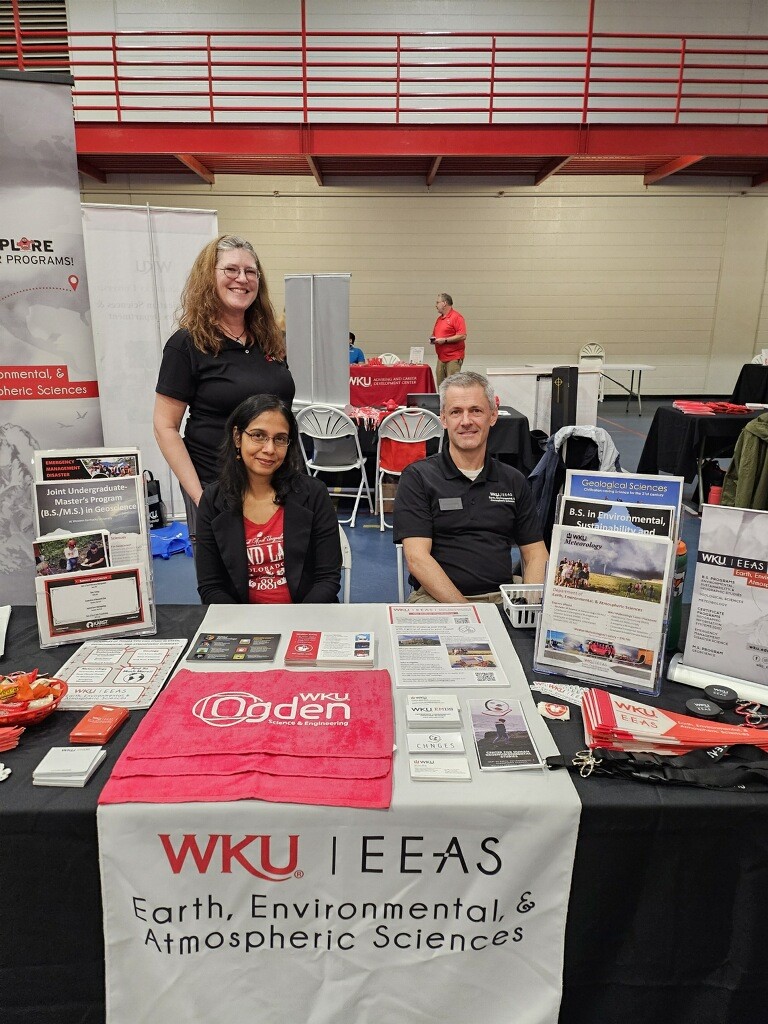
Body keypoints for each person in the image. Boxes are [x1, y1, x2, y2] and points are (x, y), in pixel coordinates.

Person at [153, 234, 294, 541]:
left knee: (281, 579)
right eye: (231, 270)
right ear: (209, 277)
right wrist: (199, 496)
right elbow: (165, 426)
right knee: (227, 582)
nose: (242, 279)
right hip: (217, 485)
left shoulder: (269, 340)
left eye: (250, 272)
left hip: (278, 483)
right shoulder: (187, 344)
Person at [394, 371, 548, 603]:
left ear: (493, 416)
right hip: (437, 600)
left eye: (476, 410)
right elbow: (417, 558)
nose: (466, 421)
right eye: (456, 412)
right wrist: (470, 613)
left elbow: (535, 553)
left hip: (502, 596)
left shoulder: (513, 480)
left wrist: (529, 605)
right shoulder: (418, 478)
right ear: (444, 419)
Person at [195, 394, 342, 604]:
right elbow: (211, 587)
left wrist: (296, 622)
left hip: (306, 617)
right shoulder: (213, 500)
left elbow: (327, 579)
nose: (270, 449)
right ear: (237, 437)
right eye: (258, 436)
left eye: (280, 439)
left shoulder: (314, 494)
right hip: (242, 625)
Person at [430, 293, 467, 386]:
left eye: (438, 302)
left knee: (452, 386)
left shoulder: (456, 317)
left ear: (444, 303)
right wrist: (433, 339)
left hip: (453, 358)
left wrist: (445, 340)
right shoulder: (439, 319)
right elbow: (435, 334)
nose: (436, 305)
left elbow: (462, 335)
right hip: (441, 357)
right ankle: (441, 401)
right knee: (441, 386)